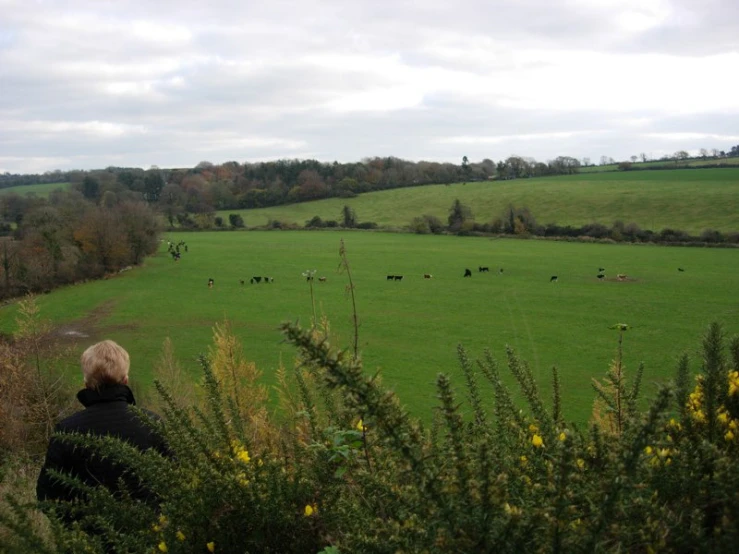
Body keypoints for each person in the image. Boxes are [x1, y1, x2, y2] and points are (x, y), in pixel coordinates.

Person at [36, 340, 168, 508]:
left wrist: (79, 528)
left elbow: (47, 496)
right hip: (148, 530)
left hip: (85, 530)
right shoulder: (153, 423)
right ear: (125, 380)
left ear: (86, 384)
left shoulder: (67, 430)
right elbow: (174, 485)